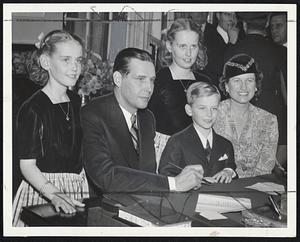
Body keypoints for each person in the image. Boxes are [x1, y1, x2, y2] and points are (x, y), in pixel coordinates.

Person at [81, 47, 204, 194]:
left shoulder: (147, 118)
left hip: (141, 204)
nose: (149, 88)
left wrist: (184, 177)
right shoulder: (93, 113)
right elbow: (105, 176)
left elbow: (147, 173)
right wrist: (174, 183)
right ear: (118, 79)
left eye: (152, 80)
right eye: (141, 79)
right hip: (104, 208)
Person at [12, 30, 89, 227]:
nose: (75, 68)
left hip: (75, 187)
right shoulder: (33, 108)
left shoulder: (74, 101)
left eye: (78, 60)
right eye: (66, 60)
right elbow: (27, 166)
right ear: (46, 62)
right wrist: (54, 194)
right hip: (43, 193)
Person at [225, 12, 287, 168]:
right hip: (274, 120)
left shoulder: (232, 50)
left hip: (238, 122)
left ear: (244, 26)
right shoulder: (281, 52)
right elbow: (287, 92)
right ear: (266, 23)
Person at [214, 54, 279, 178]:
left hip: (254, 188)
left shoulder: (269, 121)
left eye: (249, 81)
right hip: (217, 185)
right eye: (237, 81)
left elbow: (265, 170)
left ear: (256, 86)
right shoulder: (213, 113)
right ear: (227, 86)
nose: (243, 87)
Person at [159, 82, 236, 183]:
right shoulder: (176, 142)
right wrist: (196, 181)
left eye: (214, 108)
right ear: (189, 110)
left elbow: (231, 168)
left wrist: (229, 171)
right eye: (202, 108)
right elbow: (166, 174)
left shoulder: (226, 144)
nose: (209, 114)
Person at [148, 18, 211, 136]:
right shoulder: (158, 80)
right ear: (169, 46)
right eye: (182, 46)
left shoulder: (205, 82)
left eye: (193, 46)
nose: (188, 53)